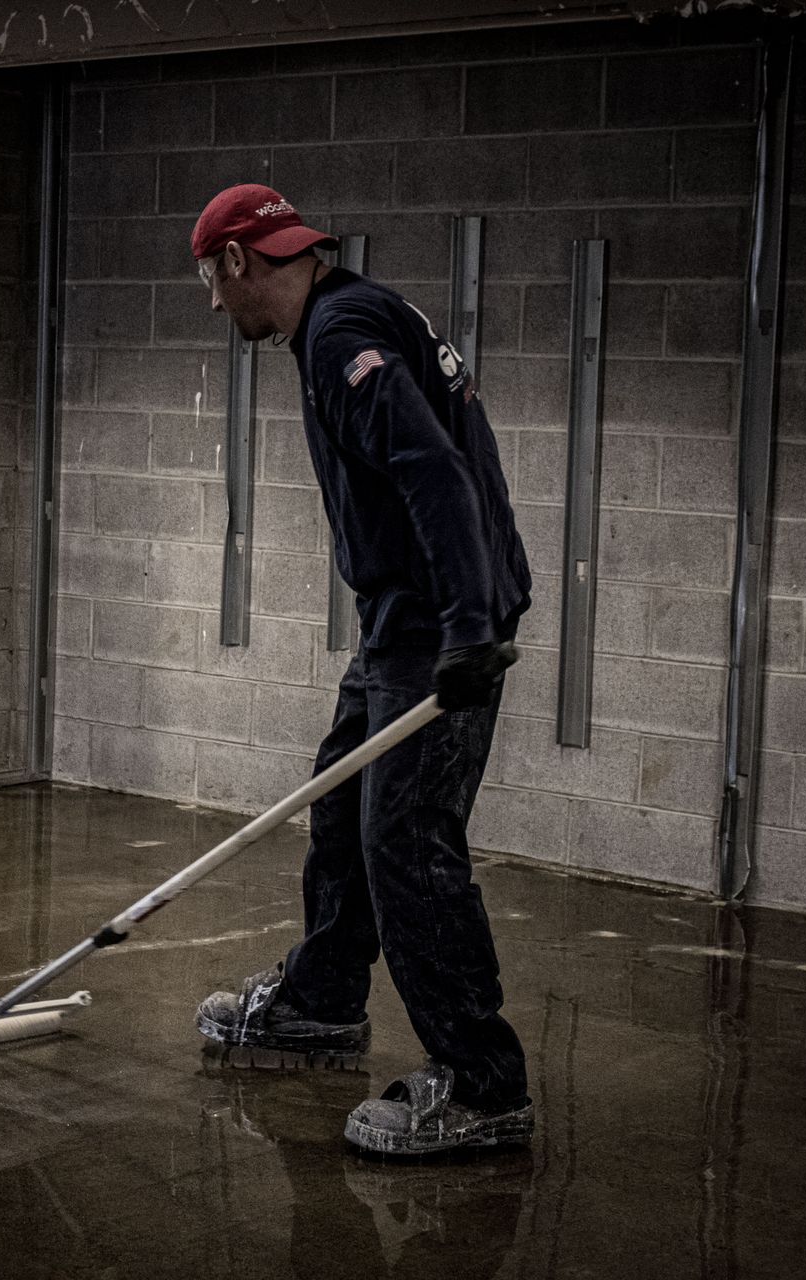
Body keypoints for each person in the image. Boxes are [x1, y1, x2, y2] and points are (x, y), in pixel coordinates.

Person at [188, 184, 533, 1158]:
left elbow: (434, 470)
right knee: (342, 801)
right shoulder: (355, 314)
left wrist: (468, 627)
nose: (215, 303)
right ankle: (324, 995)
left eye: (213, 279)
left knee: (407, 841)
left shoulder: (342, 337)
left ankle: (481, 1082)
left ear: (242, 263)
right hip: (407, 620)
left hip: (436, 625)